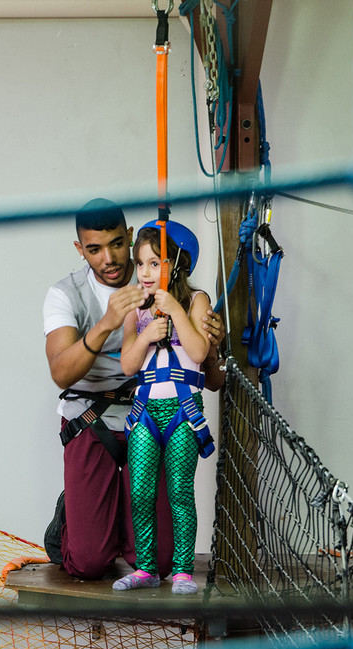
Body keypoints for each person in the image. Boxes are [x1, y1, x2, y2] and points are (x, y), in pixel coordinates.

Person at [44, 200, 224, 581]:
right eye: (94, 249)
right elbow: (61, 373)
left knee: (160, 561)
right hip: (92, 420)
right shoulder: (65, 294)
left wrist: (211, 350)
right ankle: (78, 518)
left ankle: (118, 515)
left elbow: (210, 376)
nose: (109, 258)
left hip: (155, 415)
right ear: (80, 249)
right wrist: (106, 323)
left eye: (116, 244)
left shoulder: (172, 290)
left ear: (129, 237)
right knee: (89, 562)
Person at [114, 220, 214, 595]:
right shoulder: (134, 308)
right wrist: (146, 337)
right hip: (145, 413)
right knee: (139, 492)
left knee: (179, 490)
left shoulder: (195, 301)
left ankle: (183, 570)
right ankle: (146, 568)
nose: (145, 272)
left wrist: (174, 309)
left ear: (177, 264)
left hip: (183, 411)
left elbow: (200, 352)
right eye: (141, 263)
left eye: (155, 263)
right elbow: (127, 364)